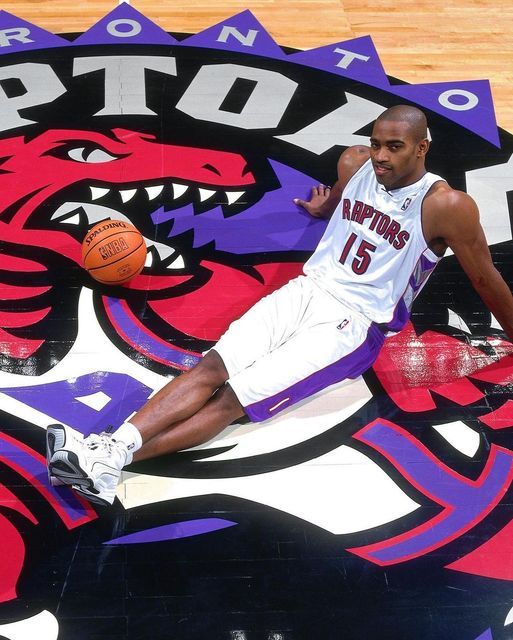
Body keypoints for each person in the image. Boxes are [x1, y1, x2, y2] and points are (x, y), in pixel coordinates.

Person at [46, 105, 513, 506]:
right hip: (305, 290)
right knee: (211, 368)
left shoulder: (446, 206)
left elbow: (484, 277)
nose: (381, 156)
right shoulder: (355, 164)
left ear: (421, 148)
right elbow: (344, 199)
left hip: (353, 325)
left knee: (233, 399)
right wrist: (324, 208)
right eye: (376, 144)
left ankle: (106, 460)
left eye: (394, 147)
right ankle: (106, 452)